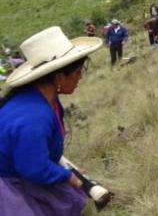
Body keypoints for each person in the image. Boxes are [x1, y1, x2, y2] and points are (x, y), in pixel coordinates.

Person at [0, 26, 103, 215]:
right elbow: (34, 168)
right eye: (78, 72)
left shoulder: (45, 101)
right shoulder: (33, 117)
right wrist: (70, 178)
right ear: (58, 77)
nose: (80, 77)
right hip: (9, 187)